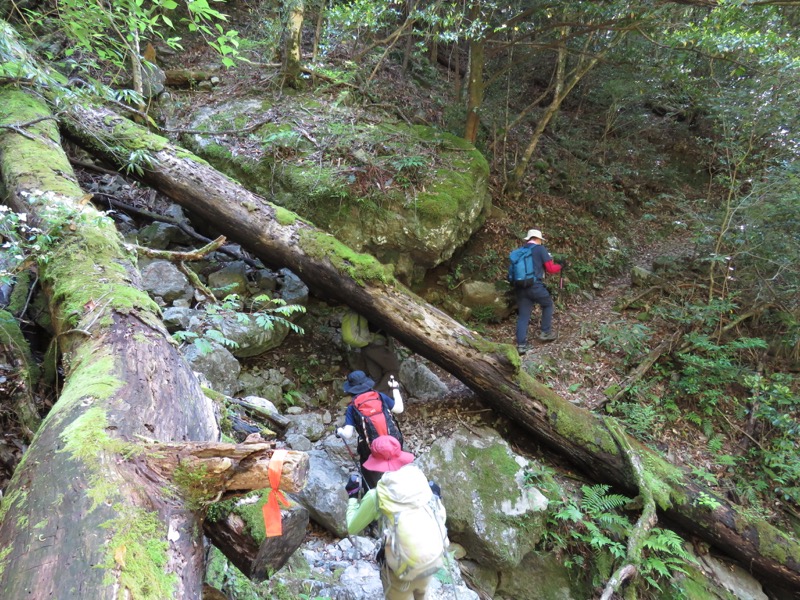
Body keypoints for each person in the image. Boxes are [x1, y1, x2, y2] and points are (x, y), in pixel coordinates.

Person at [345, 436, 448, 600]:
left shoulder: (376, 495)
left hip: (401, 572)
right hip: (431, 562)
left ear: (375, 464)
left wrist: (352, 496)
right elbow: (440, 517)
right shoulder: (422, 483)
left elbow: (352, 527)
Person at [337, 370, 404, 489]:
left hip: (370, 448)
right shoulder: (379, 396)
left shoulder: (352, 407)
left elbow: (347, 434)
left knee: (368, 472)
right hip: (393, 442)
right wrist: (395, 389)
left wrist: (339, 432)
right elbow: (399, 409)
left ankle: (373, 491)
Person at [508, 228, 565, 354]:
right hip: (535, 286)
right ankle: (545, 332)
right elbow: (550, 269)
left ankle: (521, 345)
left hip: (520, 287)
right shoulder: (540, 249)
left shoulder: (521, 251)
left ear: (528, 239)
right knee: (548, 304)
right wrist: (561, 266)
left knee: (523, 315)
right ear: (538, 239)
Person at [342, 311, 402, 395]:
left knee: (376, 378)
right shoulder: (377, 311)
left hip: (366, 347)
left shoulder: (365, 311)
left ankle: (373, 402)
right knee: (393, 369)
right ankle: (375, 396)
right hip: (376, 345)